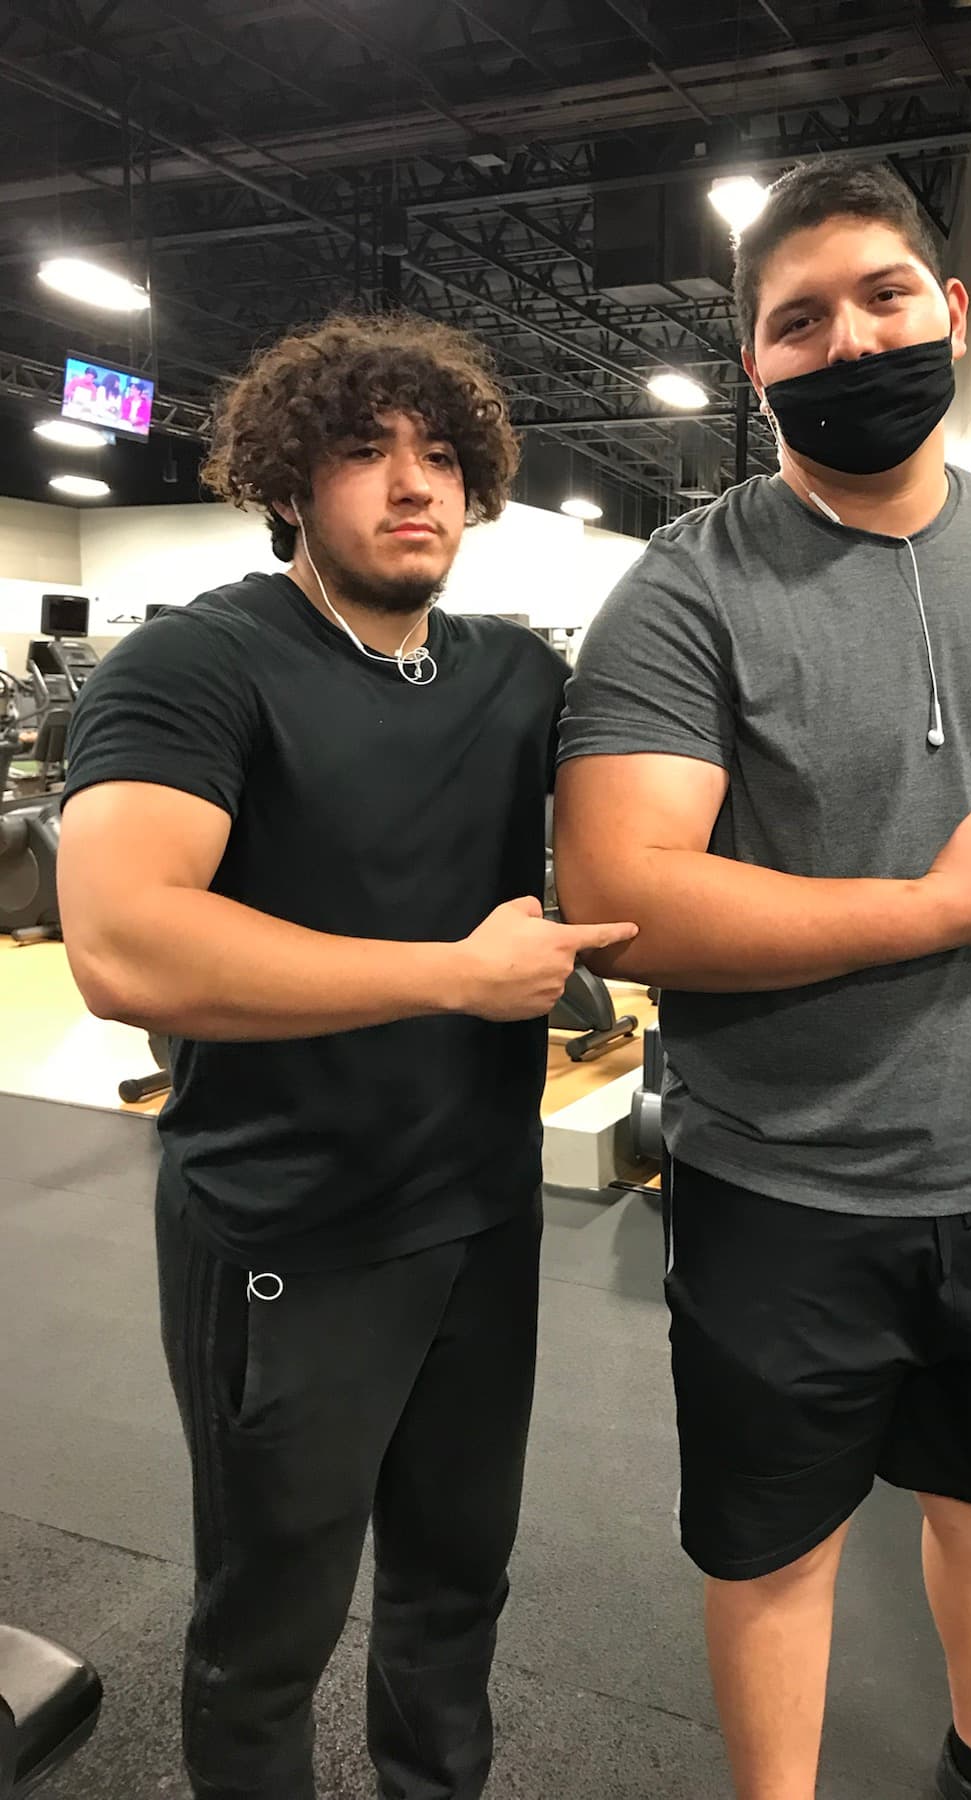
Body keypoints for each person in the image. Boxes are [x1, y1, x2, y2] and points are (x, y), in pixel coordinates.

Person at [554, 157, 971, 1800]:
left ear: (952, 310)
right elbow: (623, 900)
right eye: (799, 322)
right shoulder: (685, 590)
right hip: (780, 1181)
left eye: (884, 298)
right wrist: (927, 913)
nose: (850, 344)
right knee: (771, 1554)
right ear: (754, 360)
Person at [57, 310, 635, 1800]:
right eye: (365, 452)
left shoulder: (516, 678)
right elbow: (127, 947)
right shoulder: (198, 665)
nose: (411, 484)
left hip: (480, 1221)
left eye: (440, 455)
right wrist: (455, 974)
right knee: (269, 1628)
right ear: (287, 482)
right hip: (287, 1232)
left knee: (454, 1596)